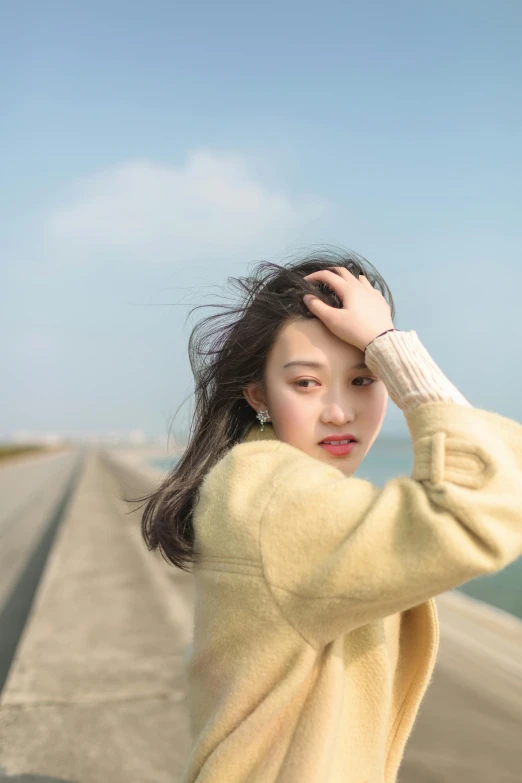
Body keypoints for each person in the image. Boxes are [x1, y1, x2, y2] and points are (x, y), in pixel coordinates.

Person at [132, 248, 522, 783]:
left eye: (364, 379)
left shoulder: (265, 480)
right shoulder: (272, 497)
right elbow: (482, 506)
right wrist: (389, 349)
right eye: (306, 383)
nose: (339, 411)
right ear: (258, 394)